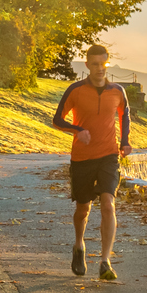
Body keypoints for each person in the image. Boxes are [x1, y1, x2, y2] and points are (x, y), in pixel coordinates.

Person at [52, 42, 131, 280]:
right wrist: (77, 130)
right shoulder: (75, 90)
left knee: (108, 204)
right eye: (94, 64)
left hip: (109, 156)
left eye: (103, 63)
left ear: (107, 63)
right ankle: (79, 245)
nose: (99, 68)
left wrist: (125, 141)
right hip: (82, 158)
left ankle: (105, 260)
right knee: (83, 209)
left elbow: (125, 114)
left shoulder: (117, 91)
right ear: (87, 65)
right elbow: (57, 119)